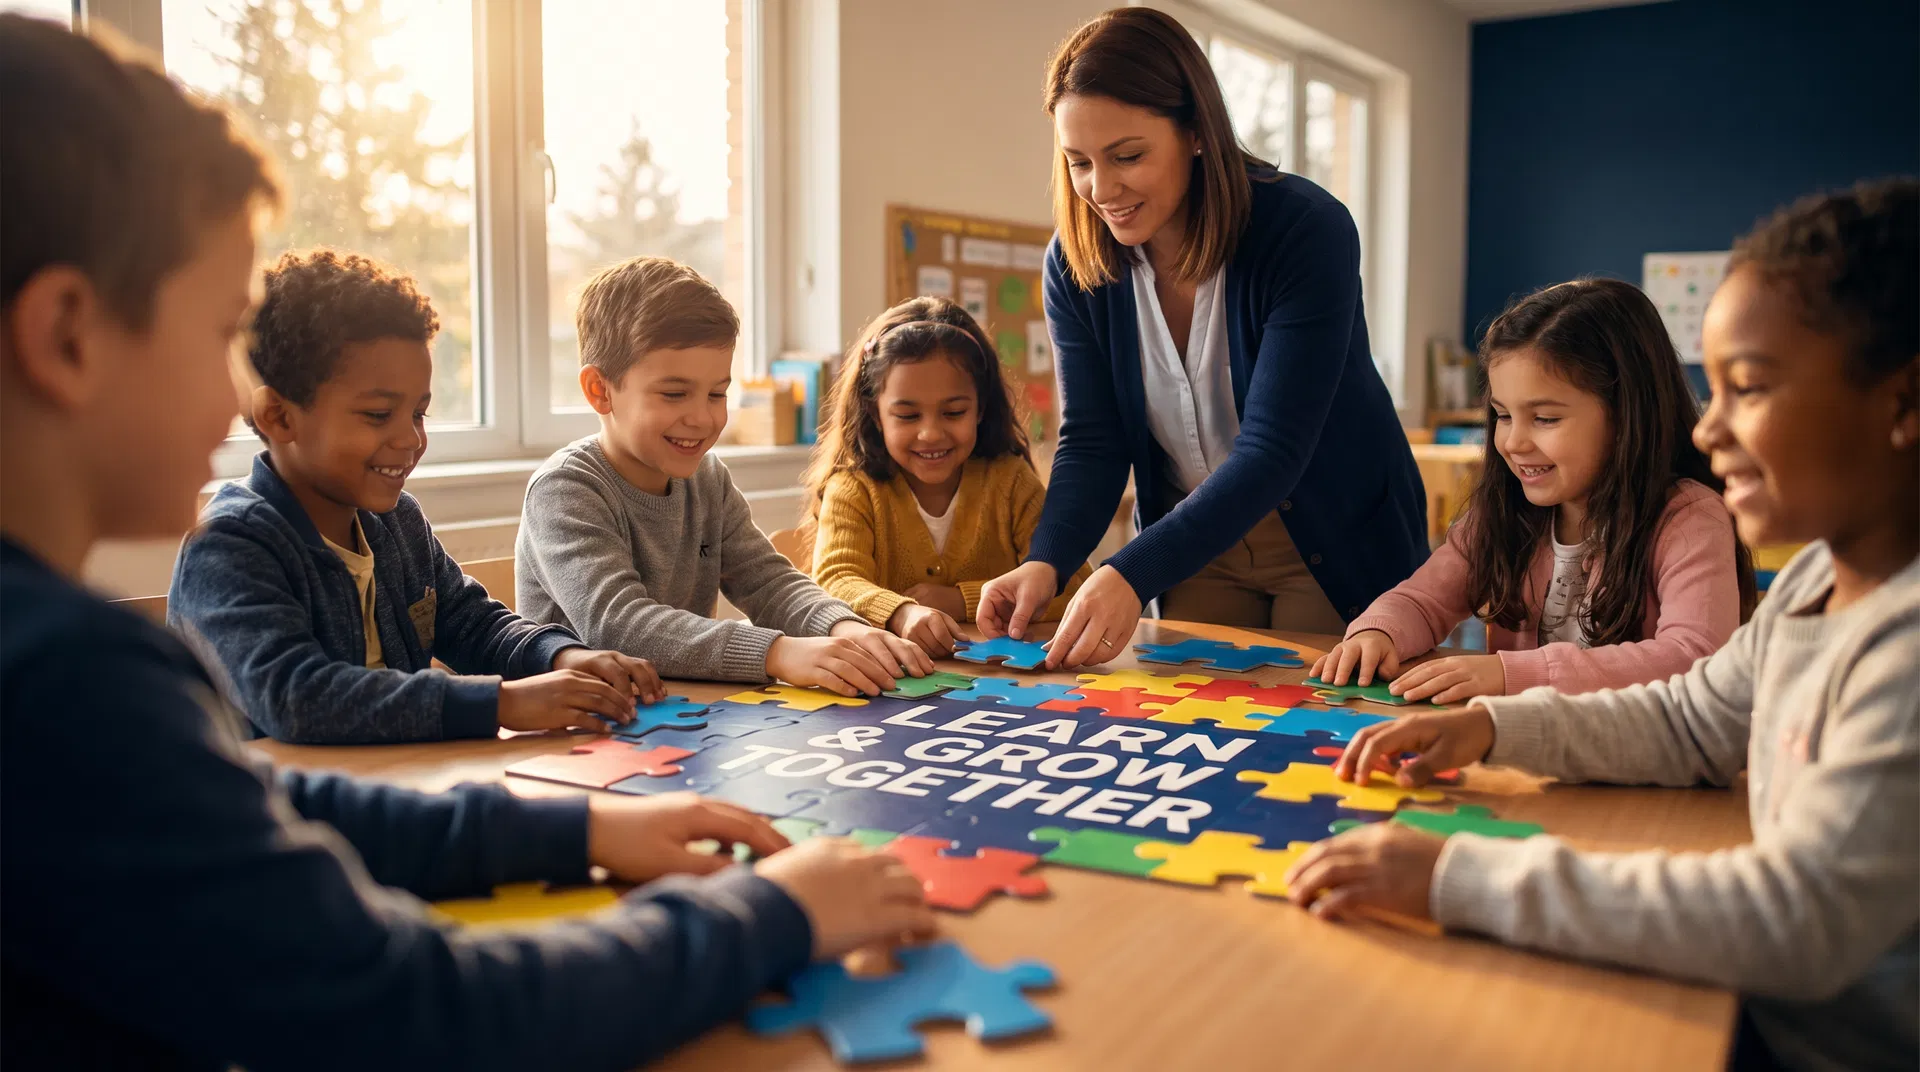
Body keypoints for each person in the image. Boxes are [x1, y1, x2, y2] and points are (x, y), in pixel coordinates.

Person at [0, 17, 932, 1069]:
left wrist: (573, 830)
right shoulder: (61, 679)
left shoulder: (52, 659)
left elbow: (266, 798)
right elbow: (420, 1012)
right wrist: (776, 917)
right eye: (220, 329)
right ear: (70, 334)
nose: (240, 390)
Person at [1289, 180, 1920, 1072]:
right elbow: (1692, 719)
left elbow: (1794, 918)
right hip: (1743, 1003)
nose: (1714, 427)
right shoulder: (1821, 574)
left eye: (1751, 388)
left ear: (1904, 403)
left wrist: (1454, 876)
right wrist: (1491, 727)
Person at [977, 6, 1426, 667]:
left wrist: (1127, 572)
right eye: (1078, 163)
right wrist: (1047, 561)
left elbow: (1273, 452)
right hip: (1194, 542)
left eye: (1127, 156)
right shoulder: (1075, 265)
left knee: (1316, 735)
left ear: (1195, 131)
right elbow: (1092, 441)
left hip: (1329, 536)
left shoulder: (1306, 231)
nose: (1102, 190)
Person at [169, 249, 666, 743]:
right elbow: (297, 697)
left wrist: (562, 656)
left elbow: (473, 625)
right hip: (276, 810)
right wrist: (501, 703)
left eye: (419, 413)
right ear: (279, 417)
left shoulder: (397, 523)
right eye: (378, 415)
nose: (411, 439)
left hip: (399, 788)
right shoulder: (230, 545)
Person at [1310, 279, 1755, 704]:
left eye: (1545, 419)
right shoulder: (1505, 513)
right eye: (1503, 416)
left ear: (1628, 416)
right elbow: (1423, 600)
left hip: (1637, 764)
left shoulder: (1689, 517)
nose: (1513, 442)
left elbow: (1695, 657)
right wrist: (1379, 632)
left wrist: (1511, 674)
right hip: (1525, 746)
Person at [516, 256, 933, 696]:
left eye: (718, 393)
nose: (702, 417)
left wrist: (842, 626)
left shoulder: (707, 479)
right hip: (575, 736)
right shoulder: (565, 489)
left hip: (682, 715)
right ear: (600, 390)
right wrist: (777, 653)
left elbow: (767, 581)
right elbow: (619, 624)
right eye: (675, 393)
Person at [801, 297, 1091, 656]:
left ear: (980, 409)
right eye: (907, 416)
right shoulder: (854, 489)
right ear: (876, 414)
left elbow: (1073, 585)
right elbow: (833, 584)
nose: (931, 434)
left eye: (953, 412)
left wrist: (961, 601)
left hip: (1001, 686)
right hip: (891, 688)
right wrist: (901, 613)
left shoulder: (1010, 481)